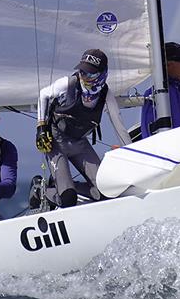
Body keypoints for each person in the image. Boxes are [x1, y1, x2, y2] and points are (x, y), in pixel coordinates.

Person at [34, 48, 131, 208]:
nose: (84, 77)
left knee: (106, 190)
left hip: (79, 143)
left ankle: (67, 186)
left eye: (90, 74)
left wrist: (133, 153)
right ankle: (42, 191)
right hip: (56, 142)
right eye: (82, 71)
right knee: (68, 197)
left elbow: (119, 127)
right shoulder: (68, 83)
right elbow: (43, 94)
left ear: (102, 74)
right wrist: (41, 128)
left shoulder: (106, 95)